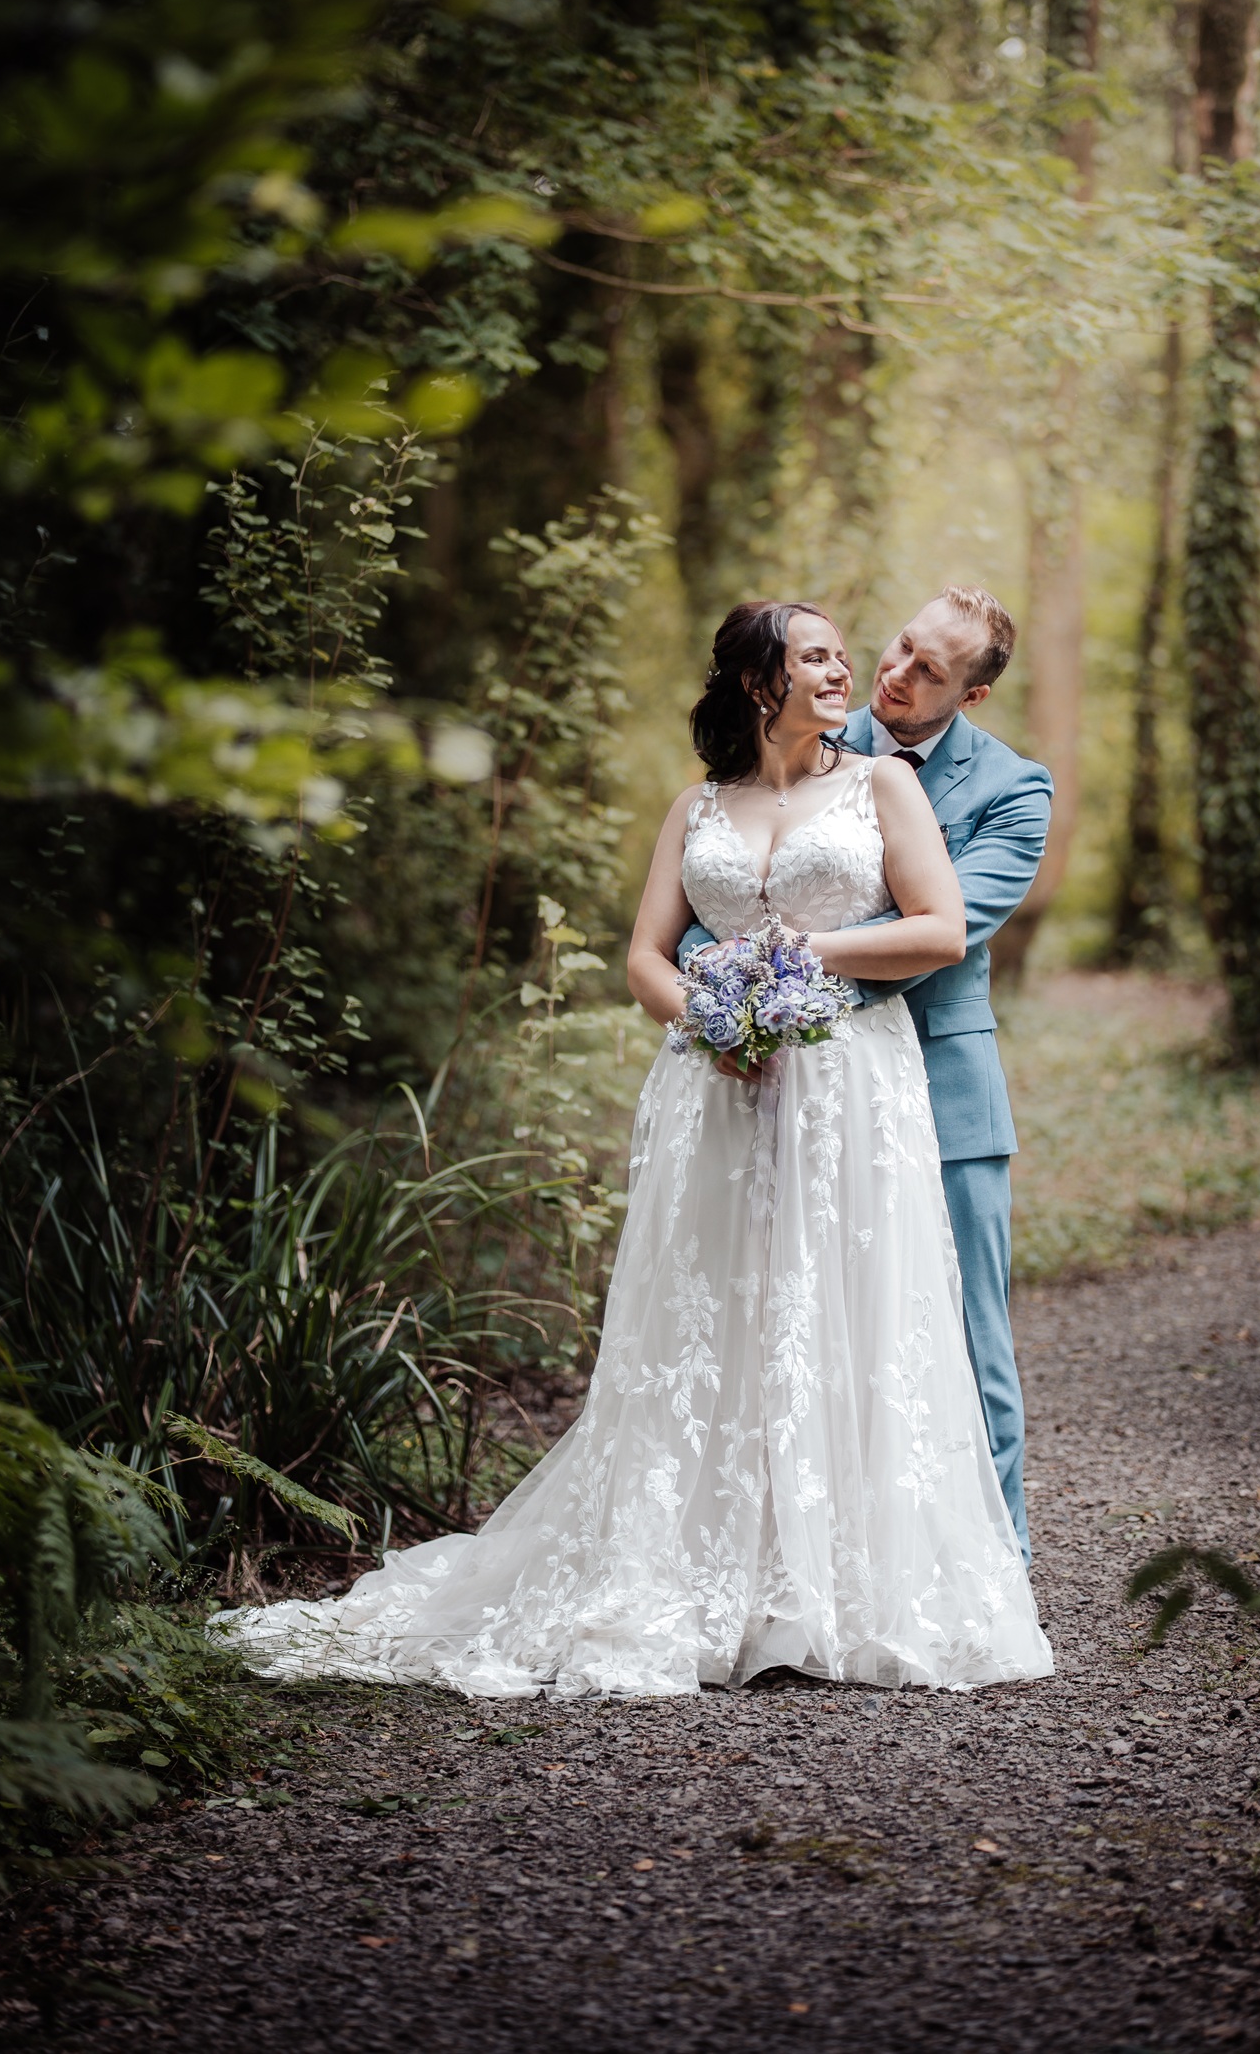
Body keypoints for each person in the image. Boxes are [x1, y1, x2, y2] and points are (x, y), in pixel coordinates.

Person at [222, 599, 1052, 1698]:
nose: (851, 667)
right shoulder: (696, 805)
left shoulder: (882, 785)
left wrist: (795, 952)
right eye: (819, 655)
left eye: (850, 652)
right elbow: (647, 955)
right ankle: (706, 1568)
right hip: (715, 1089)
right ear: (761, 682)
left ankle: (840, 1584)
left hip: (850, 1086)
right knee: (720, 1313)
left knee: (842, 1311)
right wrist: (707, 1020)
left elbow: (940, 929)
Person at [681, 586, 1051, 1562]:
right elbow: (714, 887)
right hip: (794, 1086)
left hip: (938, 1080)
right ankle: (836, 1550)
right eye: (899, 647)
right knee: (815, 1318)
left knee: (969, 1334)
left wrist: (787, 946)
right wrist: (718, 980)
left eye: (930, 670)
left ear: (971, 695)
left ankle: (995, 1560)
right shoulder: (810, 735)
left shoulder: (1013, 789)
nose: (893, 673)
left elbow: (944, 928)